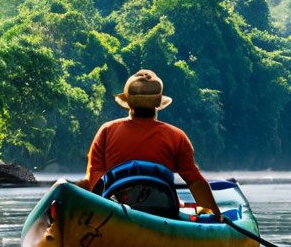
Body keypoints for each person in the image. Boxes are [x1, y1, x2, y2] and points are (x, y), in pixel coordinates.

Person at [82, 70, 221, 217]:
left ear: (129, 103)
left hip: (114, 212)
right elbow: (195, 181)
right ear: (157, 104)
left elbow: (95, 179)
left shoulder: (106, 131)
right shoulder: (176, 136)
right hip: (164, 212)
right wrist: (217, 216)